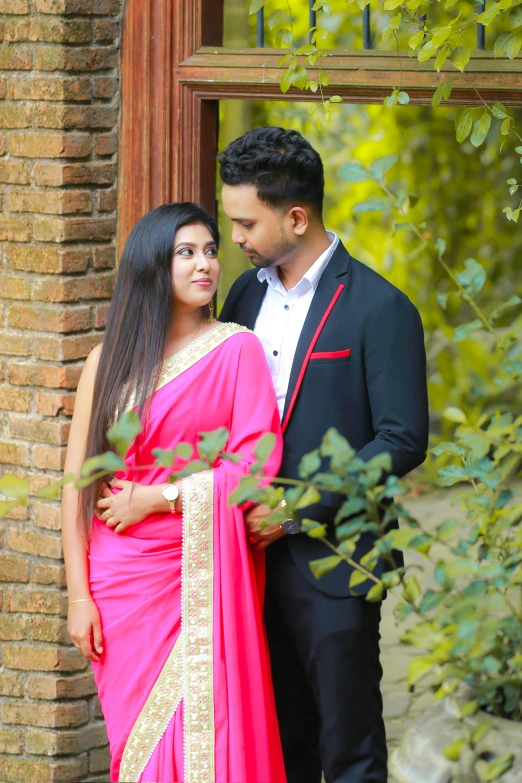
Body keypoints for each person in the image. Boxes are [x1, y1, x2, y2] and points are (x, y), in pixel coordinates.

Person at [218, 126, 430, 783]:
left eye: (246, 222)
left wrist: (299, 505)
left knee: (350, 751)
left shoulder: (381, 308)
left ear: (296, 215)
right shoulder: (243, 297)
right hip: (244, 561)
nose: (236, 238)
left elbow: (401, 438)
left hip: (335, 560)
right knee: (275, 747)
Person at [61, 202, 286, 783]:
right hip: (120, 583)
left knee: (203, 735)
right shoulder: (105, 362)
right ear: (152, 266)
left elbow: (255, 466)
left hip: (198, 570)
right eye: (186, 253)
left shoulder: (237, 350)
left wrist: (160, 499)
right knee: (137, 745)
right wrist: (78, 596)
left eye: (210, 250)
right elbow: (79, 490)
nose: (205, 264)